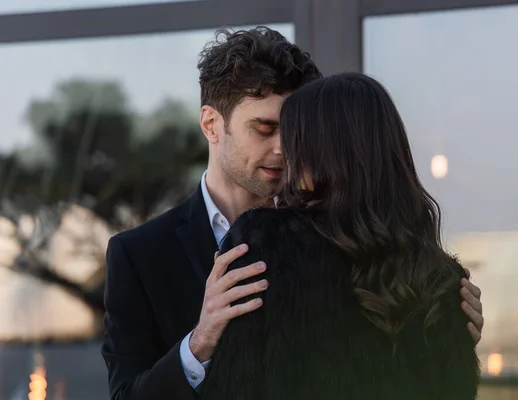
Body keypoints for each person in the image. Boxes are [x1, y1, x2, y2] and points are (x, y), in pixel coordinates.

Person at [101, 27, 484, 400]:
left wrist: (440, 331)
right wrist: (199, 343)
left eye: (295, 131)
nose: (284, 148)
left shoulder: (347, 232)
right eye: (264, 128)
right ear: (211, 125)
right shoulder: (138, 255)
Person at [197, 72, 480, 399]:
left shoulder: (266, 243)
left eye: (292, 139)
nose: (283, 154)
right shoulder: (443, 279)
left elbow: (235, 387)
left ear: (314, 151)